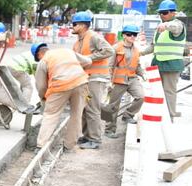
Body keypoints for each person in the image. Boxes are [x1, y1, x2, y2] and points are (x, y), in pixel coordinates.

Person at [33, 42, 91, 151]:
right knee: (76, 114)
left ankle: (40, 146)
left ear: (39, 54)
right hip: (80, 83)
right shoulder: (67, 51)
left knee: (51, 114)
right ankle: (68, 146)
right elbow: (88, 61)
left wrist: (43, 97)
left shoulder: (43, 61)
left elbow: (41, 86)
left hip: (59, 86)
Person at [70, 11, 113, 148]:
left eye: (75, 24)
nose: (72, 26)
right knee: (85, 108)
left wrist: (90, 58)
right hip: (86, 78)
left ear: (83, 25)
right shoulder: (77, 42)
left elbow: (109, 50)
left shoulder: (93, 37)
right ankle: (87, 136)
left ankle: (95, 140)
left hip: (96, 78)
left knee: (93, 109)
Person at [143, 0, 188, 118]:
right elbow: (153, 46)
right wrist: (139, 53)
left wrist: (166, 25)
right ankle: (159, 115)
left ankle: (170, 115)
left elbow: (175, 27)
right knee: (157, 91)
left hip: (171, 65)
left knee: (169, 91)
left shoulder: (177, 25)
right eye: (160, 13)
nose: (162, 15)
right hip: (158, 64)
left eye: (165, 12)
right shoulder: (160, 29)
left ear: (173, 13)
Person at [103, 24, 145, 138]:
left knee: (141, 96)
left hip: (132, 79)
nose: (132, 36)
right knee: (112, 106)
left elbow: (137, 65)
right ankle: (109, 130)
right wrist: (108, 81)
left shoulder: (136, 49)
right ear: (124, 35)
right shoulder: (116, 48)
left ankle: (127, 115)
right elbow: (109, 66)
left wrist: (143, 74)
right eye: (129, 34)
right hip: (118, 81)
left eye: (134, 34)